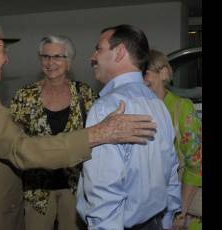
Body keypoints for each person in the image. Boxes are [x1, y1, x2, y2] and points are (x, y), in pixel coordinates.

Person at [0, 15, 157, 230]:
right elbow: (21, 148)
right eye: (2, 49)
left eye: (57, 56)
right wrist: (98, 133)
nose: (6, 58)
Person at [76, 24, 181, 230]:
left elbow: (104, 190)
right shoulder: (158, 104)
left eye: (99, 49)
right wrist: (166, 222)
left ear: (120, 52)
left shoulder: (107, 107)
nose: (92, 57)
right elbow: (171, 173)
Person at [9, 35, 96, 230]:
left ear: (69, 61)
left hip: (75, 185)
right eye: (45, 56)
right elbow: (13, 139)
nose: (50, 63)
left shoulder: (84, 94)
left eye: (57, 56)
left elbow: (96, 135)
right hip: (37, 188)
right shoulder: (25, 96)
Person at [144, 49, 202, 230]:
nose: (140, 80)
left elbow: (196, 165)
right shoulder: (138, 109)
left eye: (145, 73)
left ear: (164, 73)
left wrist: (180, 212)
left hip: (182, 210)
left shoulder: (181, 108)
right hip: (147, 209)